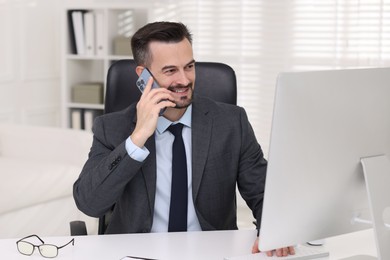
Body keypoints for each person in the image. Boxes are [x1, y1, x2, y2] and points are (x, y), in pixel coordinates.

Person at [73, 21, 294, 257]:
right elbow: (89, 203)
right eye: (170, 71)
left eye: (189, 66)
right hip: (136, 253)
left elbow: (263, 193)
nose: (184, 80)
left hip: (210, 252)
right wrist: (137, 138)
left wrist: (273, 231)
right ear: (143, 75)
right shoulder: (112, 128)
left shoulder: (231, 123)